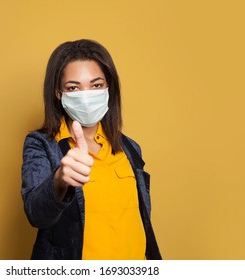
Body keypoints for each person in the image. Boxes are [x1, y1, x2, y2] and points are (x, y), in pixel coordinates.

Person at [21, 39, 162, 260]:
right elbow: (36, 214)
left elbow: (141, 220)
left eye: (96, 85)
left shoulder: (130, 148)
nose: (86, 95)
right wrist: (59, 180)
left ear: (108, 88)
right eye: (73, 87)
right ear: (59, 92)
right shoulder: (41, 144)